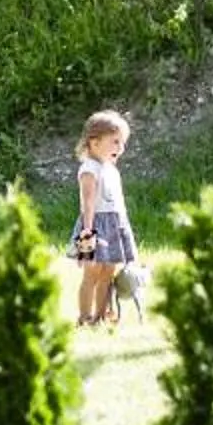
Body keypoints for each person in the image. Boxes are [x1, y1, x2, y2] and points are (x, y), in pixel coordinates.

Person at [72, 109, 137, 328]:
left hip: (115, 225)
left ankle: (100, 315)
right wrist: (87, 236)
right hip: (94, 226)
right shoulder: (89, 169)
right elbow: (88, 204)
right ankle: (84, 317)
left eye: (122, 143)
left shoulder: (111, 170)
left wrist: (124, 230)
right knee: (92, 272)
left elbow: (119, 204)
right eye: (115, 142)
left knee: (108, 272)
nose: (121, 148)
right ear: (94, 142)